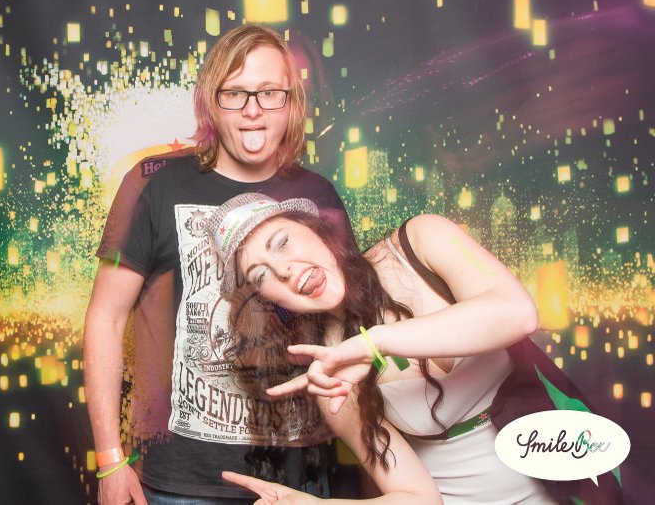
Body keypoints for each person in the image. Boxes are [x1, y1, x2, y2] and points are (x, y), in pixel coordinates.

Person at [84, 25, 355, 505]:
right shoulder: (153, 183)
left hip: (300, 480)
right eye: (235, 93)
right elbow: (105, 319)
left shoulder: (319, 194)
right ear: (211, 102)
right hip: (181, 484)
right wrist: (109, 459)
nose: (253, 109)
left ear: (292, 104)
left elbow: (346, 322)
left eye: (269, 92)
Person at [207, 193, 555, 504]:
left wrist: (374, 343)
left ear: (314, 228)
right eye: (261, 276)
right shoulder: (331, 375)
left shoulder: (421, 242)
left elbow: (518, 313)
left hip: (563, 476)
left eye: (282, 243)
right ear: (268, 300)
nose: (282, 270)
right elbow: (419, 499)